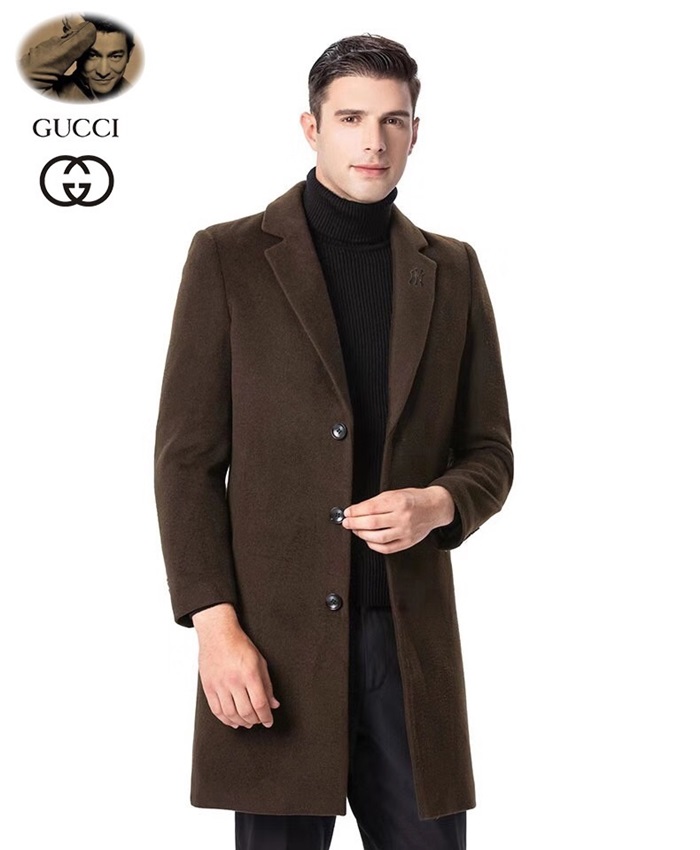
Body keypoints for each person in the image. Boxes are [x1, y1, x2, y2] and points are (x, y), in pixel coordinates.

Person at [154, 34, 513, 850]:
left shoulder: (453, 270)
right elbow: (186, 464)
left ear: (416, 131)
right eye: (351, 118)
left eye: (393, 120)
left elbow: (490, 451)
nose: (373, 141)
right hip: (272, 647)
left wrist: (438, 503)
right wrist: (216, 630)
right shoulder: (229, 257)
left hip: (407, 646)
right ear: (311, 127)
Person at [19, 16, 135, 102]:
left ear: (129, 54)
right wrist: (83, 30)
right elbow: (25, 74)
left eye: (115, 56)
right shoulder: (56, 95)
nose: (103, 72)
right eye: (92, 55)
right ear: (78, 50)